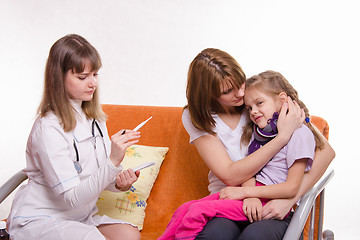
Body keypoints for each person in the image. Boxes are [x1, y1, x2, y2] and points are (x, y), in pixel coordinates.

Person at [168, 48, 334, 240]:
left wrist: (290, 199)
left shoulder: (258, 101)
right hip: (228, 199)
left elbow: (326, 152)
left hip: (271, 199)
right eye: (228, 91)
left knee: (255, 236)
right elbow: (230, 175)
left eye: (240, 82)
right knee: (214, 235)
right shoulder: (197, 116)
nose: (240, 93)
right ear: (209, 95)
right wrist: (281, 138)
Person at [7, 34, 141, 240]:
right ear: (58, 77)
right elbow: (72, 197)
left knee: (129, 235)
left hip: (80, 217)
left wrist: (119, 184)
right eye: (82, 77)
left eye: (95, 74)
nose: (92, 83)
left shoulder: (95, 119)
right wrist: (113, 160)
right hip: (41, 219)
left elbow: (95, 178)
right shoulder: (48, 128)